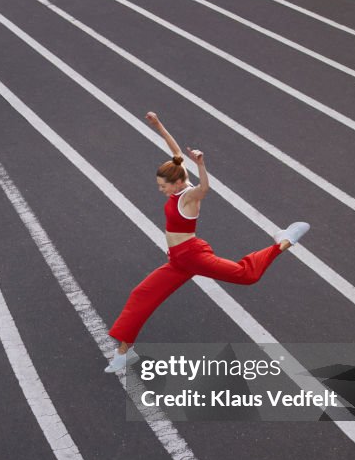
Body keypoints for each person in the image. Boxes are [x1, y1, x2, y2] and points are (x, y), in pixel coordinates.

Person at [104, 112, 309, 373]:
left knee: (246, 275)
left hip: (192, 256)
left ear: (177, 182)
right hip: (178, 260)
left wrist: (201, 164)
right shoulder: (180, 180)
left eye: (163, 187)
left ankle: (284, 240)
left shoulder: (189, 195)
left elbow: (205, 189)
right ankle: (124, 353)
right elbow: (175, 149)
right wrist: (158, 125)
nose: (160, 190)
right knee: (142, 295)